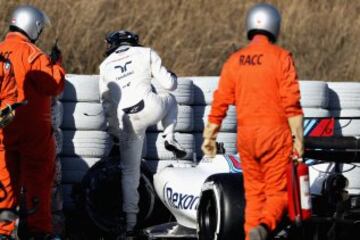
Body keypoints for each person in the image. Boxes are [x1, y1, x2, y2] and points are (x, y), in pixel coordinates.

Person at [202, 3, 304, 240]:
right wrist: (298, 140)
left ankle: (251, 237)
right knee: (278, 194)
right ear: (274, 26)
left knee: (255, 195)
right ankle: (265, 227)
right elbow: (292, 103)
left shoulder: (234, 61)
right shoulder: (281, 58)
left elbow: (220, 102)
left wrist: (210, 136)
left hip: (247, 138)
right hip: (274, 136)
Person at [99, 30, 187, 237]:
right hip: (152, 107)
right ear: (132, 42)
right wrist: (172, 76)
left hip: (127, 121)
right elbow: (170, 85)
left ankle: (130, 224)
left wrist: (114, 132)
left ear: (113, 44)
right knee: (170, 99)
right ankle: (169, 136)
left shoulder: (104, 67)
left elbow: (106, 105)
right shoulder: (146, 53)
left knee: (130, 173)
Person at [0, 5, 65, 239]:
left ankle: (3, 231)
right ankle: (37, 231)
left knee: (5, 183)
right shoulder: (33, 54)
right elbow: (55, 85)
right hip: (33, 133)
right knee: (37, 181)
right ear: (33, 26)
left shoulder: (1, 50)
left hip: (4, 131)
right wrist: (57, 63)